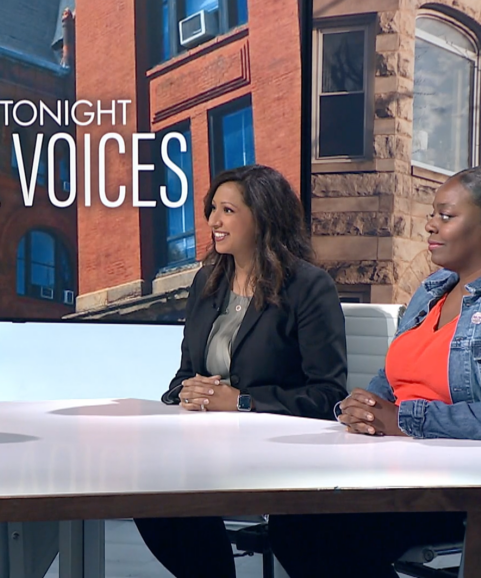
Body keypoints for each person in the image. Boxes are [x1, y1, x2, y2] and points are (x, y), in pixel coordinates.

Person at [270, 165, 481, 578]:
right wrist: (363, 408)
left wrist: (405, 421)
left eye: (446, 215)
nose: (430, 224)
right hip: (416, 470)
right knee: (294, 520)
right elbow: (393, 377)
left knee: (320, 532)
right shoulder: (433, 288)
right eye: (432, 214)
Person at [135, 164, 349, 578]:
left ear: (264, 217)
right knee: (150, 494)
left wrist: (243, 403)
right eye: (212, 209)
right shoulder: (207, 280)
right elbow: (182, 375)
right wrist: (187, 392)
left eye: (228, 210)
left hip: (277, 449)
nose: (213, 221)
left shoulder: (308, 286)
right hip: (206, 445)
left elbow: (327, 396)